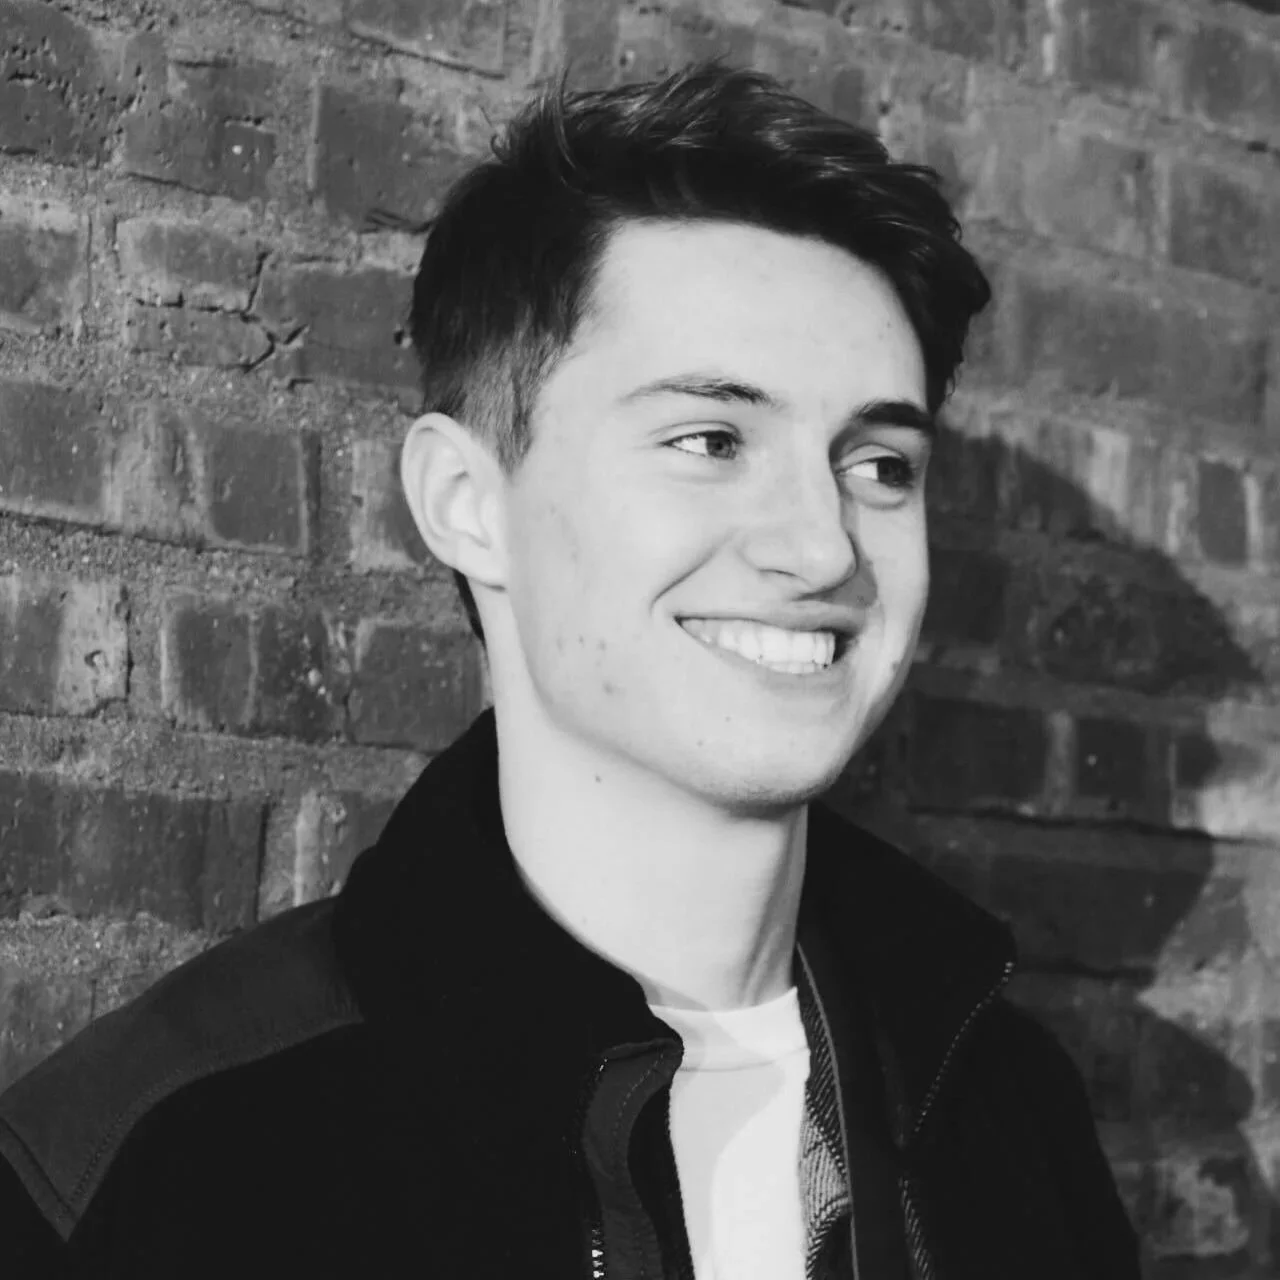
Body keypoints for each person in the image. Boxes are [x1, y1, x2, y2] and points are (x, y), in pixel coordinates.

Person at [0, 61, 1139, 1279]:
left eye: (876, 464)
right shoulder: (164, 1161)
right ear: (465, 503)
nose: (821, 546)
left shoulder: (1003, 1106)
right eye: (709, 439)